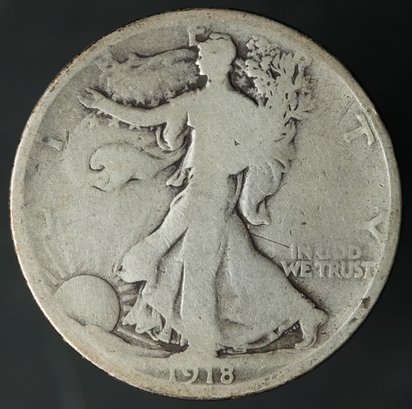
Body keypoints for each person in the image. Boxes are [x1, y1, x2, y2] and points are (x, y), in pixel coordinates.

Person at [79, 32, 327, 357]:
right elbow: (148, 119)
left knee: (197, 267)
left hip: (210, 193)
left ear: (220, 62)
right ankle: (305, 312)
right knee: (240, 261)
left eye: (204, 56)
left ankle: (203, 344)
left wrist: (224, 164)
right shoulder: (225, 103)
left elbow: (252, 153)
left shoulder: (216, 104)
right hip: (207, 190)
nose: (198, 60)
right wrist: (104, 105)